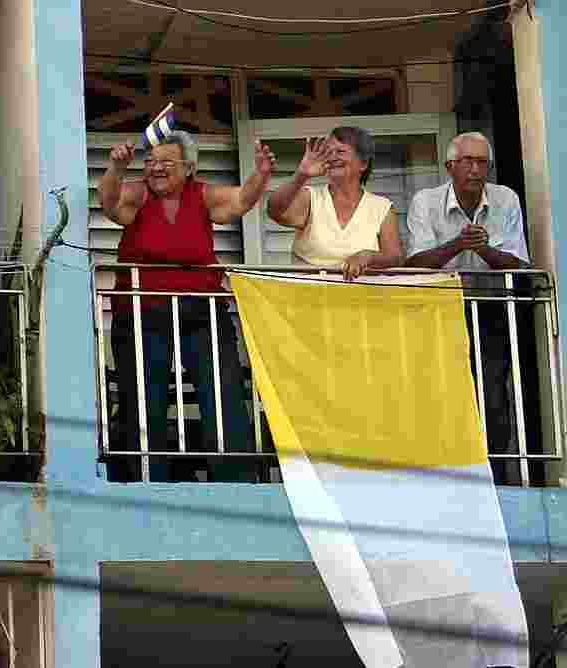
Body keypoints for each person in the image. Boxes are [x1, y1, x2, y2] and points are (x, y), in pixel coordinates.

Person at [98, 130, 276, 482]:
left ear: (189, 168)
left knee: (222, 394)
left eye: (167, 162)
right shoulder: (139, 193)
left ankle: (235, 483)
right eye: (150, 162)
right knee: (144, 399)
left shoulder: (202, 194)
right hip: (141, 313)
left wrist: (260, 175)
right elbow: (110, 204)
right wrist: (116, 169)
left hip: (202, 311)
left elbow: (241, 200)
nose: (156, 168)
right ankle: (148, 482)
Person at [404, 132, 530, 484]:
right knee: (439, 394)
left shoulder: (505, 199)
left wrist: (485, 250)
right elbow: (413, 262)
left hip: (489, 311)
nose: (476, 170)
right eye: (467, 162)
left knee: (491, 396)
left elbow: (518, 264)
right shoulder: (425, 202)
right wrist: (457, 245)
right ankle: (444, 477)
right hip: (437, 310)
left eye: (482, 163)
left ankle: (495, 479)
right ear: (449, 166)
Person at [267, 126, 403, 281]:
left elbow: (395, 257)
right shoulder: (311, 198)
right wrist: (301, 175)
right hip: (309, 297)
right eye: (328, 152)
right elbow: (274, 210)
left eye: (340, 152)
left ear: (363, 164)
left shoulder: (381, 207)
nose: (332, 157)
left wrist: (368, 256)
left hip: (363, 300)